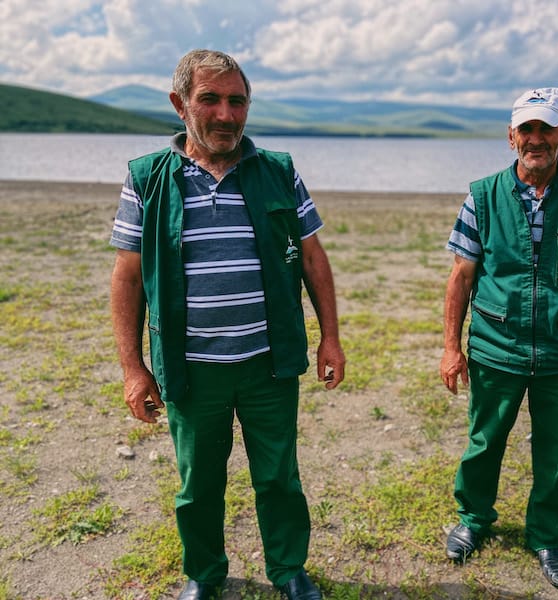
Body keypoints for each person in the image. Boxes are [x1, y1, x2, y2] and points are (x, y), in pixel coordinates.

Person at [110, 49, 345, 600]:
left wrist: (330, 336)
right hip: (194, 368)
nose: (225, 114)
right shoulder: (147, 178)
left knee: (279, 477)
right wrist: (133, 368)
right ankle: (204, 574)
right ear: (180, 104)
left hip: (269, 362)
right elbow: (127, 278)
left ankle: (289, 571)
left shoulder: (278, 172)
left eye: (236, 101)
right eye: (209, 99)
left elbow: (313, 258)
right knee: (199, 485)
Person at [439, 87, 558, 590]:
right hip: (497, 346)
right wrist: (452, 347)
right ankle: (473, 520)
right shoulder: (482, 195)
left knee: (557, 450)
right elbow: (461, 276)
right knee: (484, 442)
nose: (536, 139)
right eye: (527, 129)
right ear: (511, 136)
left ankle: (546, 537)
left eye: (547, 128)